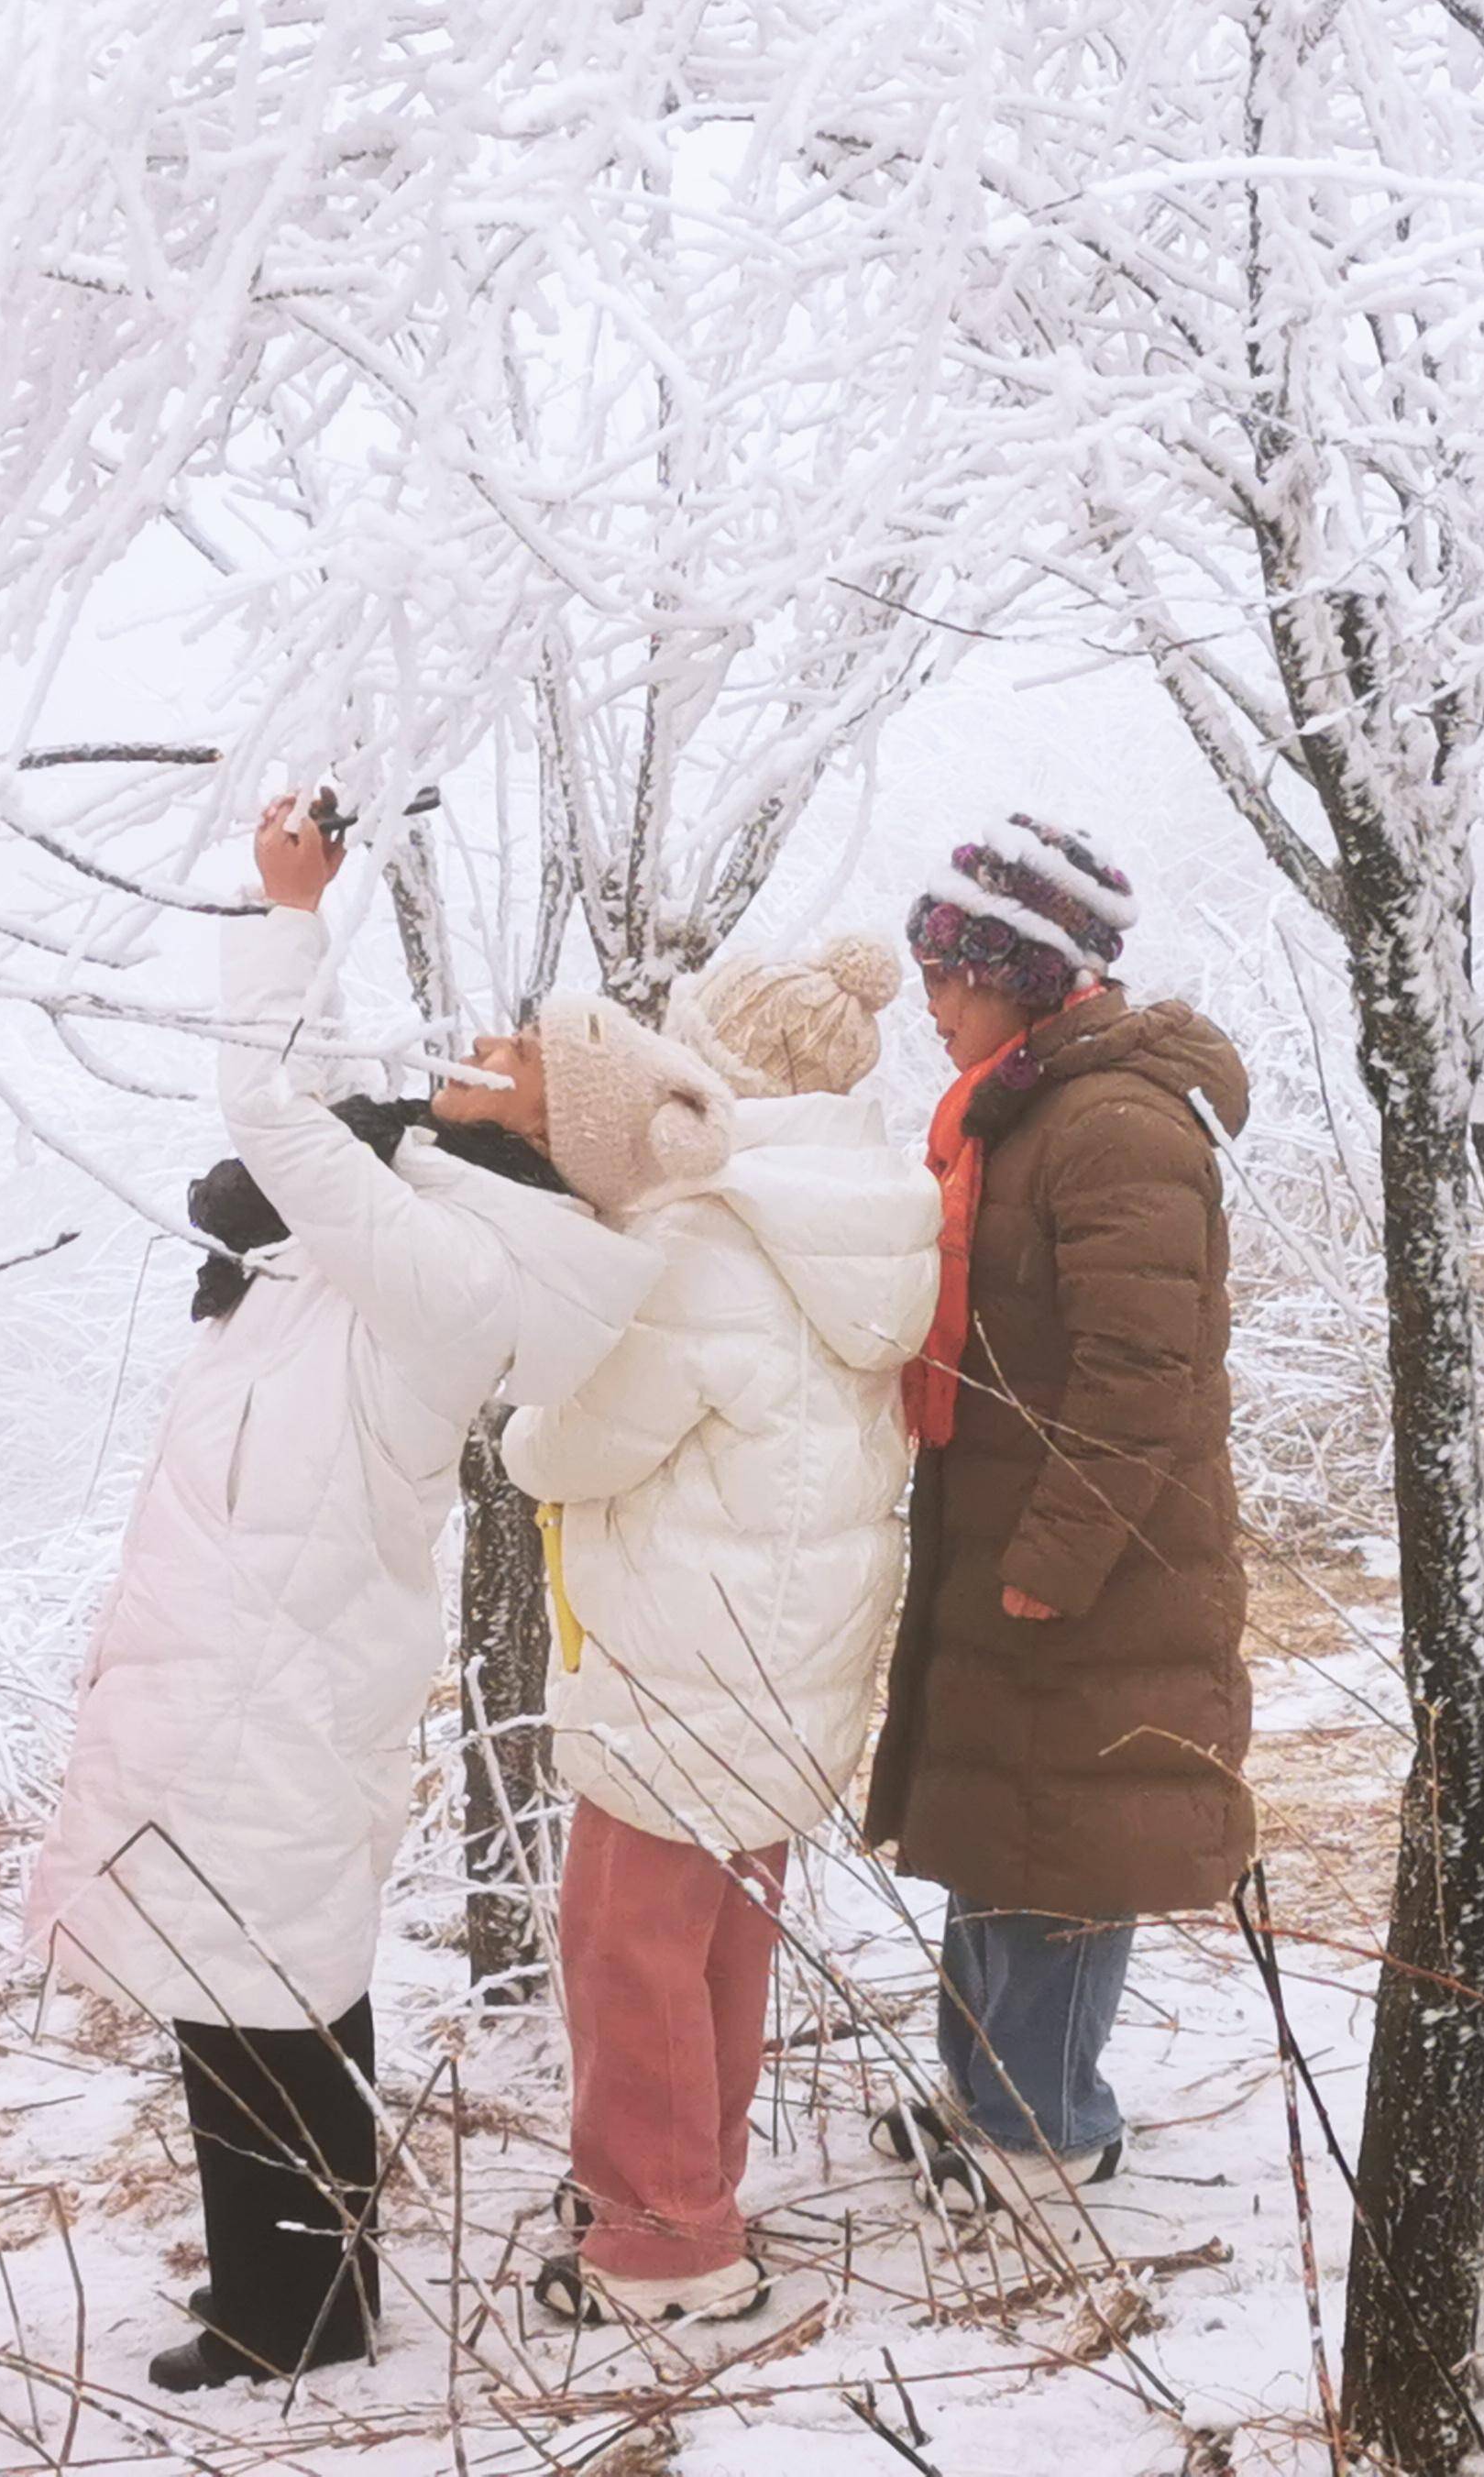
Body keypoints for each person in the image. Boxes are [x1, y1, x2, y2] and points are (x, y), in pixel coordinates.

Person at [25, 797, 728, 2394]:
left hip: (278, 1641)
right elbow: (331, 1109)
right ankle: (305, 2294)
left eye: (522, 1051)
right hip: (261, 1622)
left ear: (549, 1135)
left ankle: (288, 2312)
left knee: (254, 1971)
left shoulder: (461, 1263)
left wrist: (282, 915)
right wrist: (307, 915)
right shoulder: (446, 1216)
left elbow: (276, 1113)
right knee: (268, 1962)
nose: (482, 1038)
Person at [502, 934, 942, 2326]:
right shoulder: (874, 1214)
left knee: (627, 1942)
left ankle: (668, 2239)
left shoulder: (708, 1227)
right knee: (719, 1939)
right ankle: (687, 2174)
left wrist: (520, 1417)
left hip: (686, 1650)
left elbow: (574, 1447)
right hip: (790, 1650)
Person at [862, 817, 1256, 2220]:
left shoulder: (1114, 1125)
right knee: (1001, 1828)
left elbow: (1143, 1375)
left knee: (1065, 1845)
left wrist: (1054, 1557)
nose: (930, 1001)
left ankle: (1051, 2128)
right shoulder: (1027, 1109)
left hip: (1092, 1562)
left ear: (1025, 975)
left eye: (949, 974)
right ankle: (990, 2096)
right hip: (1012, 1533)